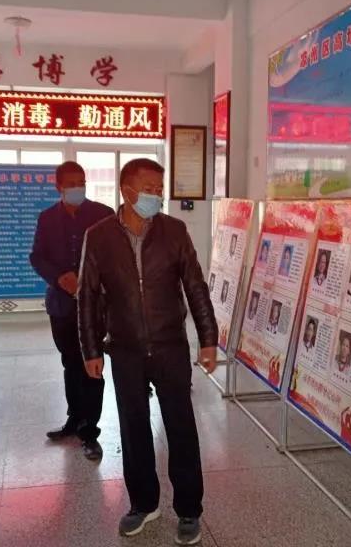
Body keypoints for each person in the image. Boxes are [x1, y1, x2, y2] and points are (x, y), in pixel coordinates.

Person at [78, 158, 217, 546]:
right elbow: (87, 296)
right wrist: (90, 348)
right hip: (125, 349)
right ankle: (143, 503)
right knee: (133, 427)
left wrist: (208, 339)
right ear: (127, 191)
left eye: (160, 189)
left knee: (181, 427)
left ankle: (189, 509)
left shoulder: (174, 231)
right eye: (150, 189)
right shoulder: (99, 236)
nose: (157, 195)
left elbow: (195, 286)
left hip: (170, 345)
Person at [30, 161, 114, 460]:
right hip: (61, 305)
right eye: (71, 184)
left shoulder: (103, 214)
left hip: (94, 306)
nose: (78, 188)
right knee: (70, 362)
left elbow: (114, 257)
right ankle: (73, 418)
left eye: (82, 182)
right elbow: (37, 257)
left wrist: (92, 280)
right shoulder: (47, 218)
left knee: (91, 363)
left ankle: (90, 431)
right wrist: (59, 277)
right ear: (58, 187)